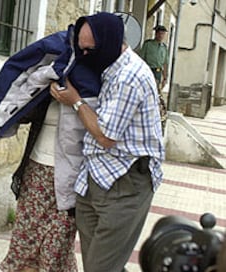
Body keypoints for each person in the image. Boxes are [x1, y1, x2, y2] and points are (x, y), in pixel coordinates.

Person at [0, 20, 102, 271]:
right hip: (37, 173)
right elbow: (22, 111)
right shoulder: (52, 85)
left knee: (55, 250)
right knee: (25, 245)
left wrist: (75, 101)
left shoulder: (96, 88)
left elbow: (101, 132)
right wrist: (42, 89)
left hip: (68, 181)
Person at [50, 12, 165, 272]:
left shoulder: (129, 77)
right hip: (95, 179)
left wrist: (75, 100)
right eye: (81, 49)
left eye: (91, 50)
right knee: (98, 265)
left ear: (111, 44)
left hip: (125, 183)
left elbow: (105, 136)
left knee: (101, 268)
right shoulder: (109, 68)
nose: (85, 55)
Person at [139, 25, 169, 92]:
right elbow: (141, 59)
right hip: (148, 70)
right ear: (156, 34)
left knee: (155, 90)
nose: (161, 36)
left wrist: (165, 78)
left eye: (163, 34)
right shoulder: (148, 44)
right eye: (159, 33)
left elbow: (165, 63)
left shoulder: (164, 48)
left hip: (158, 72)